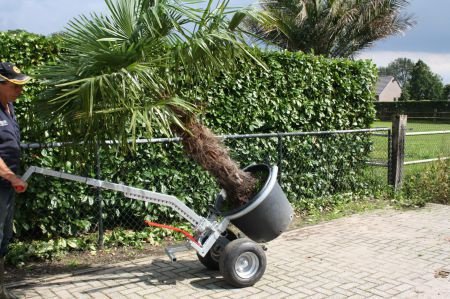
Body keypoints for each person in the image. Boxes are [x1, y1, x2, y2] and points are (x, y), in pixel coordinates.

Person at [0, 62, 29, 299]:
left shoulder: (9, 107)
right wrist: (9, 175)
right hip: (3, 182)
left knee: (4, 236)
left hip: (7, 186)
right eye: (15, 86)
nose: (20, 91)